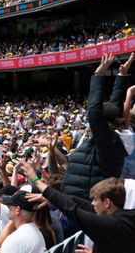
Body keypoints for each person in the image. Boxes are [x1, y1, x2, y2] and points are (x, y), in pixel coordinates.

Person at [22, 162, 135, 253]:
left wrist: (36, 181)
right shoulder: (126, 217)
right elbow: (79, 203)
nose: (92, 204)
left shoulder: (112, 224)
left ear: (107, 203)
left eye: (95, 200)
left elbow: (72, 209)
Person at [61, 54, 131, 200]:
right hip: (85, 198)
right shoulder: (117, 137)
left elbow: (94, 111)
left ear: (104, 123)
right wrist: (121, 76)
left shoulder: (109, 140)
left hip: (84, 202)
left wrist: (98, 74)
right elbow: (116, 106)